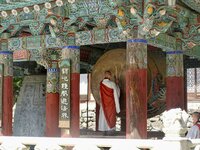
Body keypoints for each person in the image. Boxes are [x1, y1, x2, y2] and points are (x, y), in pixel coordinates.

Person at [98, 70, 120, 135]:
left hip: (104, 105)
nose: (110, 76)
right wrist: (117, 85)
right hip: (111, 104)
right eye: (110, 75)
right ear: (108, 75)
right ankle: (110, 131)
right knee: (110, 117)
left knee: (103, 116)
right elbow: (116, 95)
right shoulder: (112, 84)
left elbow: (100, 94)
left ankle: (103, 130)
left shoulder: (101, 84)